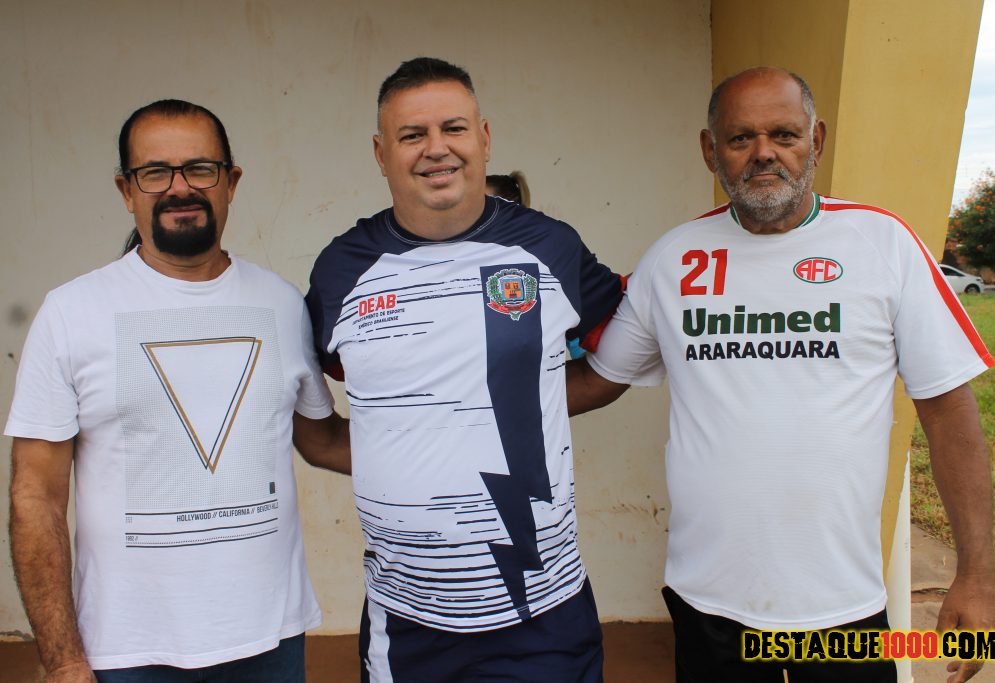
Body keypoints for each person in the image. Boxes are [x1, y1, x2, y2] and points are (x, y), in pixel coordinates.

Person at [567, 67, 995, 683]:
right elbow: (597, 381)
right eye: (740, 138)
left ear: (815, 141)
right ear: (710, 150)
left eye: (784, 135)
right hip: (708, 605)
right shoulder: (673, 259)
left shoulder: (883, 244)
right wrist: (468, 396)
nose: (763, 153)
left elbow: (949, 408)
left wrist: (977, 577)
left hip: (843, 608)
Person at [6, 99, 351, 683]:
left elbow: (323, 441)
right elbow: (35, 495)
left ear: (231, 182)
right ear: (126, 190)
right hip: (126, 652)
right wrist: (63, 660)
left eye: (199, 169)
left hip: (269, 640)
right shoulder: (71, 312)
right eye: (155, 172)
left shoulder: (281, 303)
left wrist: (454, 443)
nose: (179, 187)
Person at [306, 57, 623, 682]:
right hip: (406, 621)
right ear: (380, 153)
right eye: (412, 134)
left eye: (453, 128)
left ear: (484, 137)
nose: (436, 148)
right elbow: (328, 402)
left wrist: (537, 404)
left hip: (545, 612)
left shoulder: (551, 246)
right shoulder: (341, 268)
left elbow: (627, 337)